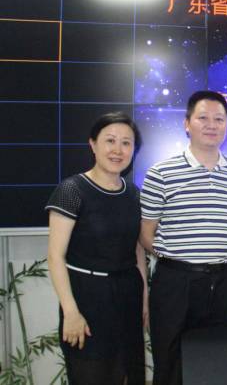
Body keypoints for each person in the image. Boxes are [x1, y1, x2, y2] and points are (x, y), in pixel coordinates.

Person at [140, 91, 227, 385]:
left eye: (219, 119)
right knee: (170, 362)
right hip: (175, 283)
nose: (211, 125)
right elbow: (146, 235)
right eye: (203, 118)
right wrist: (182, 260)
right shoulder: (161, 173)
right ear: (187, 123)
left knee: (216, 364)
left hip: (223, 281)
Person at [46, 112, 146, 384]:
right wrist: (71, 312)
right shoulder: (71, 190)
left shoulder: (133, 193)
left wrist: (144, 297)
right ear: (93, 144)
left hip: (128, 293)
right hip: (87, 297)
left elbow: (137, 250)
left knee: (129, 371)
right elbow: (55, 257)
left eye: (126, 143)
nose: (118, 150)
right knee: (90, 373)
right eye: (110, 140)